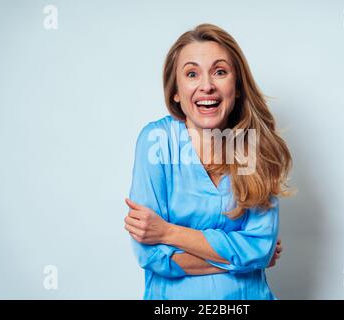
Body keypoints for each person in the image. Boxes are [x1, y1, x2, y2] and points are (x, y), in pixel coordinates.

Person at [124, 23, 293, 299]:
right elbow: (150, 254)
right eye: (192, 74)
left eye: (220, 72)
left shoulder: (256, 146)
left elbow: (261, 249)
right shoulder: (156, 141)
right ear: (175, 91)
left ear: (236, 86)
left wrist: (167, 233)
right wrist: (242, 257)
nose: (207, 86)